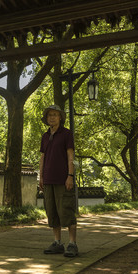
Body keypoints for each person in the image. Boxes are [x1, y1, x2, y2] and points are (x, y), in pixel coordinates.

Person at [39, 104, 78, 257]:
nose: (52, 117)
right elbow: (42, 158)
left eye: (55, 114)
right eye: (49, 115)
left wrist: (70, 176)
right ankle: (57, 243)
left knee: (66, 211)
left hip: (63, 180)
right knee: (52, 212)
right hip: (48, 180)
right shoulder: (45, 136)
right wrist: (40, 177)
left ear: (60, 117)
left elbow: (70, 156)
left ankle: (72, 244)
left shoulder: (66, 134)